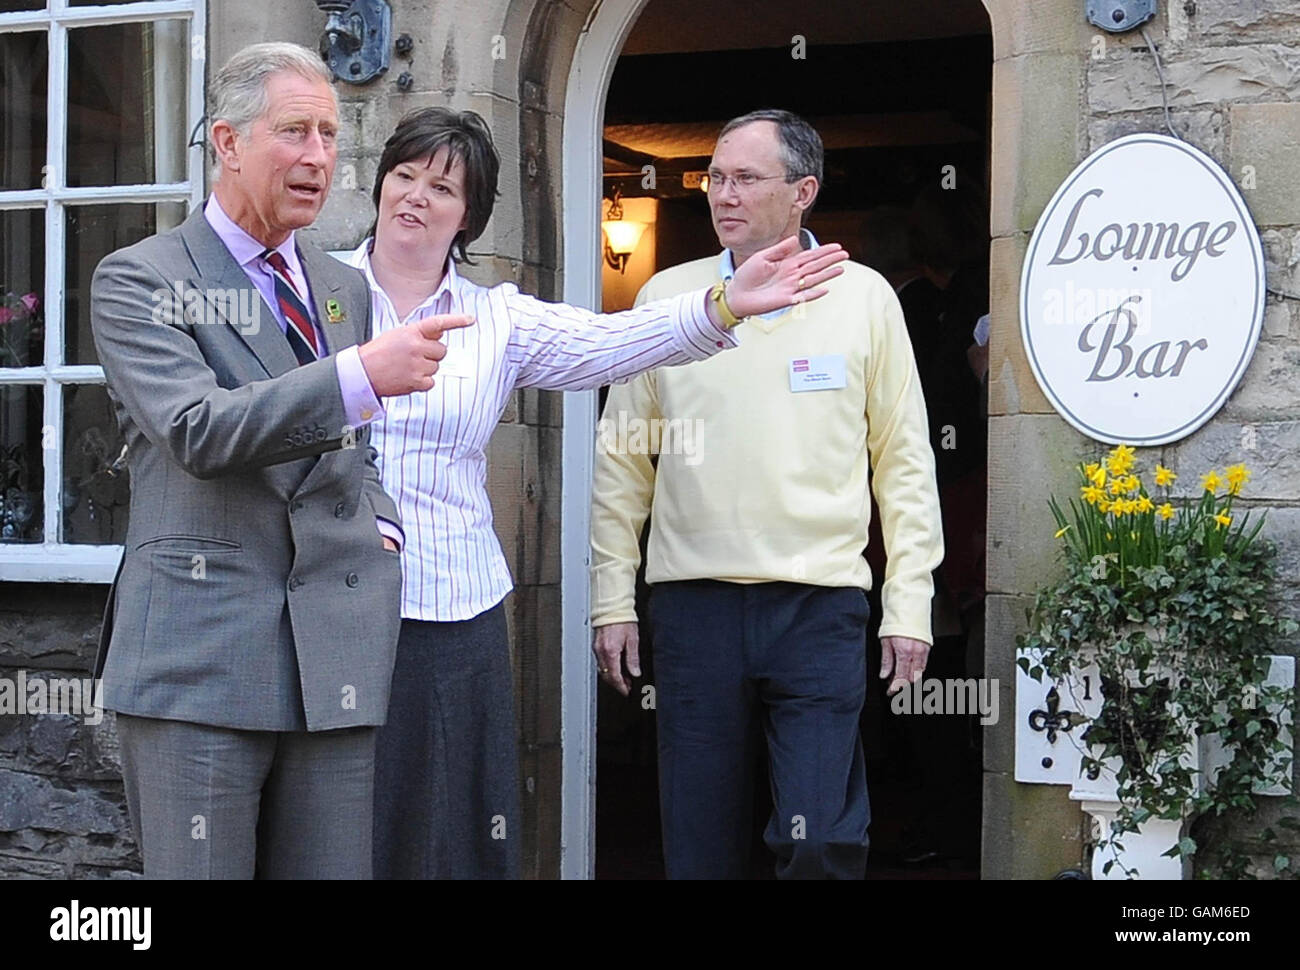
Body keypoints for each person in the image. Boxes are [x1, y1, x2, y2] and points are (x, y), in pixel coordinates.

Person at [343, 106, 848, 879]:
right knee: (345, 814)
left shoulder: (494, 318)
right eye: (404, 175)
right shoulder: (313, 294)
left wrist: (722, 305)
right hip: (332, 599)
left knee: (455, 823)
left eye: (443, 187)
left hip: (453, 602)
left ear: (468, 215)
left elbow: (610, 343)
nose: (416, 196)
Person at [88, 43, 472, 878]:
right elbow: (198, 429)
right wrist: (360, 374)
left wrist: (382, 524)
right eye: (294, 131)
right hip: (200, 664)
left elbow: (355, 445)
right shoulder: (140, 278)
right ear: (227, 143)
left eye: (331, 135)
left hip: (333, 661)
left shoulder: (344, 288)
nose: (319, 158)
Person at [589, 109, 944, 880]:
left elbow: (905, 461)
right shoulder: (667, 299)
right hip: (694, 607)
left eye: (746, 177)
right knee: (699, 845)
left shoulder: (865, 297)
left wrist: (908, 603)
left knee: (819, 841)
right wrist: (611, 596)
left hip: (820, 606)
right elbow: (623, 460)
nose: (724, 194)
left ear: (803, 191)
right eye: (715, 177)